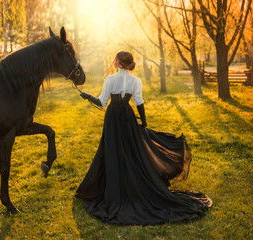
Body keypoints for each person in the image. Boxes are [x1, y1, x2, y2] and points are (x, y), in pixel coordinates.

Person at [76, 51, 212, 225]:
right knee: (131, 151)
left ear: (119, 63)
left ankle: (113, 188)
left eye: (116, 59)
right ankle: (132, 185)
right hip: (128, 117)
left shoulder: (110, 80)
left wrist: (88, 97)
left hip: (113, 119)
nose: (114, 61)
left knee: (112, 150)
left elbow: (103, 102)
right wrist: (144, 121)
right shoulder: (136, 81)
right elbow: (139, 102)